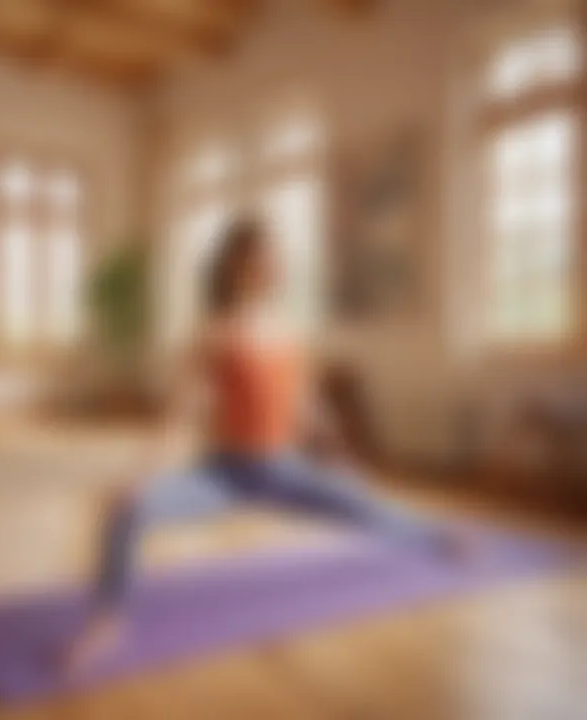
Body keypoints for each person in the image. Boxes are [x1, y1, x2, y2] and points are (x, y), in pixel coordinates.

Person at [65, 218, 463, 673]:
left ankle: (434, 535)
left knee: (364, 504)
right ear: (236, 266)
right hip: (223, 475)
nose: (274, 266)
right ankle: (107, 620)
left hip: (286, 470)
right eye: (262, 257)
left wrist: (340, 457)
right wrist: (138, 476)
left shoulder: (289, 330)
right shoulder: (215, 331)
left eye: (276, 257)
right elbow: (180, 413)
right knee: (127, 511)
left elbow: (308, 404)